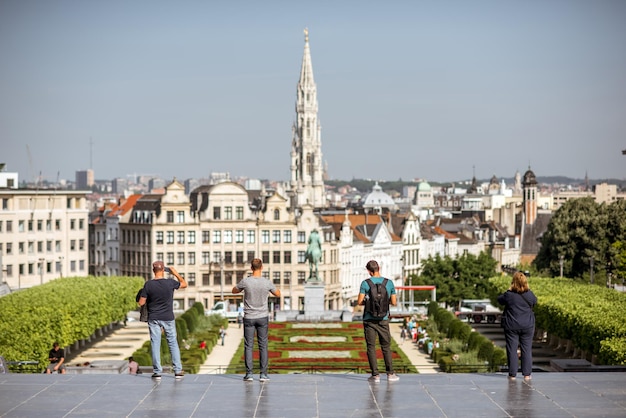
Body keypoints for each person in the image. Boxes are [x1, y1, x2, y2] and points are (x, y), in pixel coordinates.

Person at [232, 258, 281, 382]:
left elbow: (234, 290)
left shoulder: (246, 281)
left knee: (248, 346)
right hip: (262, 316)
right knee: (263, 345)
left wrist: (241, 288)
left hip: (249, 317)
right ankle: (263, 374)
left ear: (251, 268)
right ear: (262, 267)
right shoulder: (266, 282)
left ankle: (249, 374)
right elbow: (278, 294)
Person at [138, 261, 187, 380]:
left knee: (155, 343)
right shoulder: (170, 283)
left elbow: (141, 302)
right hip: (168, 317)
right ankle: (178, 370)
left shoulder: (148, 284)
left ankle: (157, 372)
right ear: (163, 270)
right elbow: (184, 284)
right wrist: (175, 273)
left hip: (153, 317)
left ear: (153, 270)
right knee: (172, 343)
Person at [356, 260, 400, 383]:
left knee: (371, 347)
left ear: (368, 271)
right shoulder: (389, 283)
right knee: (385, 346)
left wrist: (369, 303)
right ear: (378, 268)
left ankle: (375, 375)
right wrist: (384, 303)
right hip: (383, 319)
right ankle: (390, 373)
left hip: (369, 319)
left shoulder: (365, 283)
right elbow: (394, 302)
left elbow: (359, 302)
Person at [497, 271, 537, 381]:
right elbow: (534, 302)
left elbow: (499, 300)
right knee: (526, 349)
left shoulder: (509, 295)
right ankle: (527, 375)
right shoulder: (529, 294)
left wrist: (509, 290)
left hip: (511, 325)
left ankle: (512, 374)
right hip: (527, 325)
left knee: (512, 349)